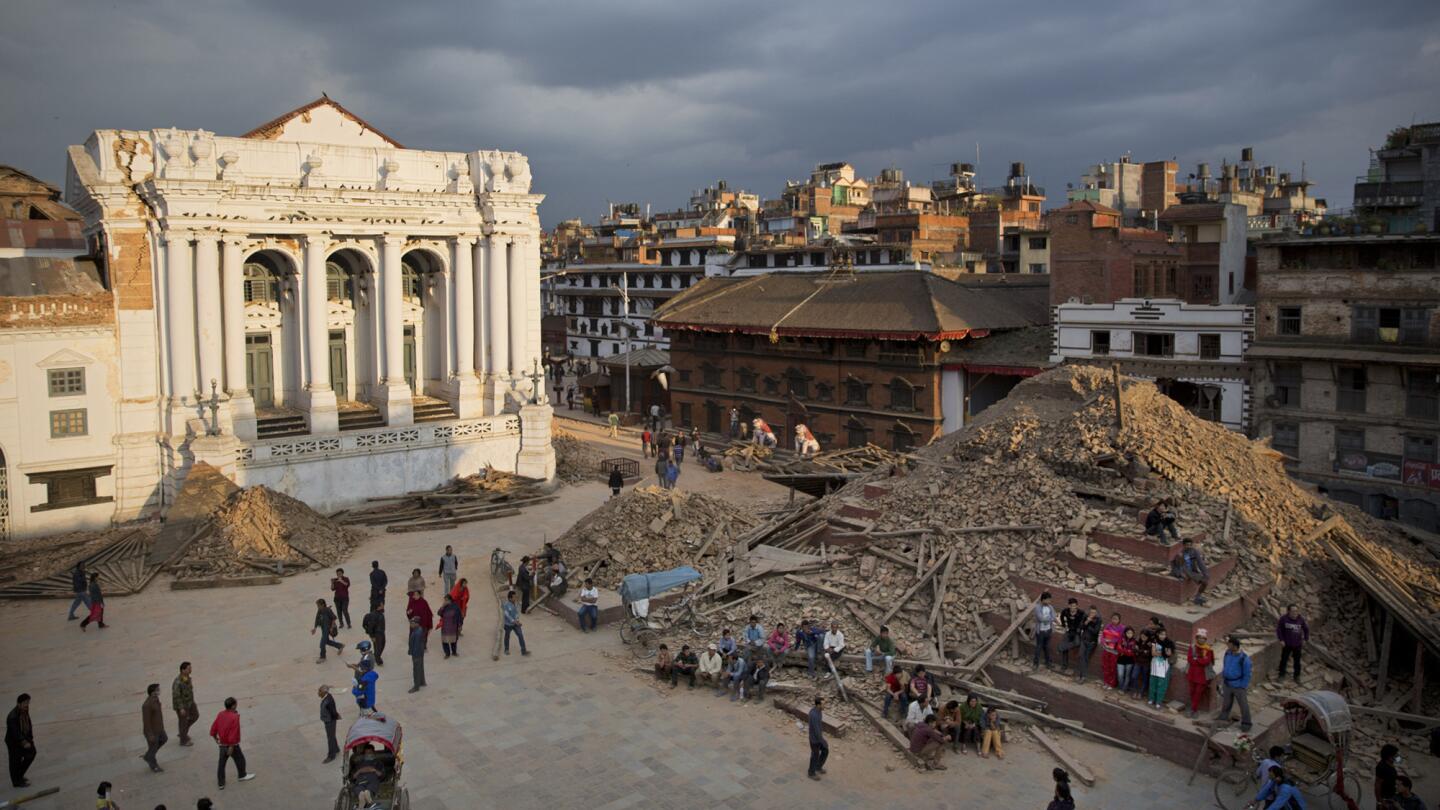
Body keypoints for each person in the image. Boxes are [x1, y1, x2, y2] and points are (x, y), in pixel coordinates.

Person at [209, 697, 255, 790]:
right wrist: (231, 746)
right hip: (231, 745)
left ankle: (221, 783)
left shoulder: (221, 714)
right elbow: (233, 733)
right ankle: (242, 775)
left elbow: (214, 727)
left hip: (222, 744)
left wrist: (215, 738)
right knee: (240, 759)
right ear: (233, 705)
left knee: (221, 763)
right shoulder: (235, 717)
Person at [1217, 635, 1253, 732]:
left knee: (1243, 705)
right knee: (1226, 703)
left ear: (1235, 646)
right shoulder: (1227, 653)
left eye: (1230, 645)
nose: (1228, 646)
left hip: (1238, 685)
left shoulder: (1244, 659)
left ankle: (1246, 723)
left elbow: (1247, 674)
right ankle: (1223, 718)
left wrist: (1242, 686)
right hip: (1227, 683)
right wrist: (1223, 680)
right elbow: (1225, 666)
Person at [1275, 604, 1310, 684]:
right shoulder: (1284, 619)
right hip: (1286, 644)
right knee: (1284, 660)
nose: (1295, 612)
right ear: (1288, 611)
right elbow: (1279, 630)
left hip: (1297, 644)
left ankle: (1297, 676)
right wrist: (1281, 640)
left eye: (1296, 611)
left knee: (1297, 661)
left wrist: (1305, 639)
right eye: (1293, 611)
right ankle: (1281, 675)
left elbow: (1306, 629)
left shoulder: (1301, 619)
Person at [6, 693, 34, 788]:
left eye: (28, 702)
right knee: (15, 762)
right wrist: (24, 742)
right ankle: (16, 782)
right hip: (14, 743)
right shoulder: (12, 717)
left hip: (24, 738)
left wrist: (30, 737)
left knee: (31, 754)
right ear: (19, 703)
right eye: (25, 702)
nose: (27, 704)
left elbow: (28, 723)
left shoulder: (24, 710)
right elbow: (15, 733)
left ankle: (19, 775)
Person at [1187, 628, 1216, 718]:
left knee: (1198, 692)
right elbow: (1190, 659)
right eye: (1200, 638)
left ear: (1205, 640)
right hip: (1192, 673)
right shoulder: (1192, 647)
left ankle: (1194, 709)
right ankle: (1193, 708)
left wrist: (1197, 659)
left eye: (1203, 638)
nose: (1201, 640)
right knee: (1192, 691)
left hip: (1202, 675)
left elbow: (1206, 662)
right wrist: (1200, 660)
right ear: (1197, 638)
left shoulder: (1208, 650)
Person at [1171, 538, 1211, 605]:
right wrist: (1179, 575)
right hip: (1184, 571)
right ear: (1183, 545)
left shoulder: (1194, 551)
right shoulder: (1180, 554)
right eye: (1187, 545)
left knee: (1205, 582)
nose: (1188, 546)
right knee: (1184, 575)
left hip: (1192, 571)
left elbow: (1200, 562)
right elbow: (1176, 566)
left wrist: (1205, 573)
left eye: (1190, 545)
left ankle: (1198, 597)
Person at [141, 683, 167, 772]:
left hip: (159, 728)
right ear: (152, 692)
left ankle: (148, 755)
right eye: (157, 689)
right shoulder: (147, 705)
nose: (159, 691)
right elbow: (146, 721)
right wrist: (149, 734)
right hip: (153, 731)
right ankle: (153, 765)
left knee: (164, 739)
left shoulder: (156, 699)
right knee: (153, 747)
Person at [1147, 627, 1175, 709]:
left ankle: (1158, 701)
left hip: (1164, 667)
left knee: (1161, 685)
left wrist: (1159, 652)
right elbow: (1153, 653)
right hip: (1154, 665)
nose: (1163, 636)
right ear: (1157, 634)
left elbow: (1169, 654)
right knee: (1153, 683)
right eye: (1161, 634)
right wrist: (1162, 653)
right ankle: (1151, 699)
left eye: (1164, 634)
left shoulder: (1169, 643)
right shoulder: (1154, 641)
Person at [172, 661, 198, 747]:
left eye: (190, 668)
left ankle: (183, 732)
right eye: (188, 668)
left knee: (195, 716)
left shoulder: (187, 678)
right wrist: (181, 708)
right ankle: (183, 740)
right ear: (183, 670)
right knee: (183, 722)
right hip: (182, 705)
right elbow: (176, 696)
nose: (190, 670)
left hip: (190, 702)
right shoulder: (178, 682)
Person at [313, 598, 344, 663]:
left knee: (322, 643)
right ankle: (340, 645)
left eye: (318, 605)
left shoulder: (328, 610)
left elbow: (334, 618)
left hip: (328, 628)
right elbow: (317, 618)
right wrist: (315, 628)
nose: (318, 607)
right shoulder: (319, 610)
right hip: (323, 628)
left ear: (323, 605)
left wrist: (332, 627)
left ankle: (322, 657)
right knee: (326, 641)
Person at [1077, 606, 1102, 684]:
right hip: (1084, 640)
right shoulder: (1085, 617)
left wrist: (1088, 624)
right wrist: (1086, 622)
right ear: (1089, 612)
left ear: (1096, 613)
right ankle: (1082, 676)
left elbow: (1095, 631)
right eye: (1091, 612)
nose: (1092, 614)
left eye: (1094, 613)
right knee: (1081, 656)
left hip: (1092, 643)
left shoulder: (1098, 620)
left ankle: (1082, 676)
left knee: (1086, 659)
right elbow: (1080, 627)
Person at [1057, 598, 1082, 675]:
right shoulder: (1066, 611)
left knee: (1077, 643)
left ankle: (1061, 647)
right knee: (1065, 649)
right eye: (1071, 606)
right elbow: (1061, 616)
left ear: (1077, 606)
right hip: (1069, 631)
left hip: (1076, 632)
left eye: (1075, 606)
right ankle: (1064, 666)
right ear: (1069, 606)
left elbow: (1083, 621)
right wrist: (1064, 625)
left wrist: (1080, 628)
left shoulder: (1081, 612)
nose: (1073, 608)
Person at [1099, 612, 1124, 690]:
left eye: (1116, 619)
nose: (1114, 620)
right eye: (1113, 618)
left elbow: (1120, 639)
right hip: (1106, 649)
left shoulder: (1122, 628)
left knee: (1112, 667)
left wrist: (1111, 641)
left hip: (1114, 651)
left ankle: (1112, 683)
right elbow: (1103, 636)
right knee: (1105, 666)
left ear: (1119, 620)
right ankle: (1106, 682)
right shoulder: (1108, 626)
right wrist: (1104, 642)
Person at [807, 696, 829, 780]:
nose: (825, 706)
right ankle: (811, 773)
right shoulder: (814, 715)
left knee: (825, 751)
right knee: (815, 755)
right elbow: (816, 731)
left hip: (818, 737)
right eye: (823, 704)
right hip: (815, 740)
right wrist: (823, 741)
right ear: (818, 705)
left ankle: (818, 767)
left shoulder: (819, 711)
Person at [1033, 591, 1056, 670]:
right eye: (1048, 600)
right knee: (1038, 647)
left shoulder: (1050, 607)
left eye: (1050, 600)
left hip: (1048, 630)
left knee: (1047, 647)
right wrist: (1049, 619)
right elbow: (1040, 618)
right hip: (1041, 631)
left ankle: (1048, 663)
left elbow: (1054, 616)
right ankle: (1035, 663)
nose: (1049, 601)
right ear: (1043, 599)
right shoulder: (1037, 607)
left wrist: (1047, 619)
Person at [502, 590, 529, 655]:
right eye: (514, 597)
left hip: (515, 624)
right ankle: (506, 649)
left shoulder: (516, 604)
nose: (515, 598)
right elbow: (507, 615)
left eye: (515, 597)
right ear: (510, 598)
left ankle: (523, 650)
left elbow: (517, 613)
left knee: (520, 635)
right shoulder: (506, 605)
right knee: (507, 636)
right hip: (508, 624)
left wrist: (517, 620)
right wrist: (514, 621)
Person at [319, 685, 341, 764]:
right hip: (328, 720)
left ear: (325, 692)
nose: (318, 693)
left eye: (320, 691)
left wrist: (335, 716)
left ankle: (331, 755)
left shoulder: (329, 700)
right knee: (332, 735)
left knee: (330, 738)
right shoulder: (326, 698)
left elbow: (333, 711)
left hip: (330, 721)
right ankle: (336, 748)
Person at [1117, 626, 1140, 698]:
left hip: (1130, 661)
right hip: (1120, 659)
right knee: (1120, 675)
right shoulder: (1121, 639)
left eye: (1131, 633)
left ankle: (1123, 689)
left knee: (1127, 675)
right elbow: (1118, 648)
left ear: (1133, 634)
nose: (1129, 634)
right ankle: (1121, 687)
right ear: (1125, 633)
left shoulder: (1134, 642)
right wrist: (1127, 651)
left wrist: (1124, 652)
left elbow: (1133, 653)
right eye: (1128, 633)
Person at [362, 602, 387, 667]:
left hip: (381, 632)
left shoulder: (379, 612)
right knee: (379, 647)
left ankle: (376, 656)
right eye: (381, 605)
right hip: (377, 634)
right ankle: (378, 660)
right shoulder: (374, 615)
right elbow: (371, 627)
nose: (383, 605)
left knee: (380, 645)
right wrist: (372, 636)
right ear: (378, 607)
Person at [407, 617, 427, 693]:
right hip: (419, 653)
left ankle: (416, 686)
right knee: (420, 668)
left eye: (412, 623)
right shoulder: (418, 630)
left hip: (417, 654)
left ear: (416, 624)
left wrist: (413, 654)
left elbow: (416, 645)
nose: (410, 624)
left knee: (416, 669)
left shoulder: (417, 633)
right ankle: (422, 681)